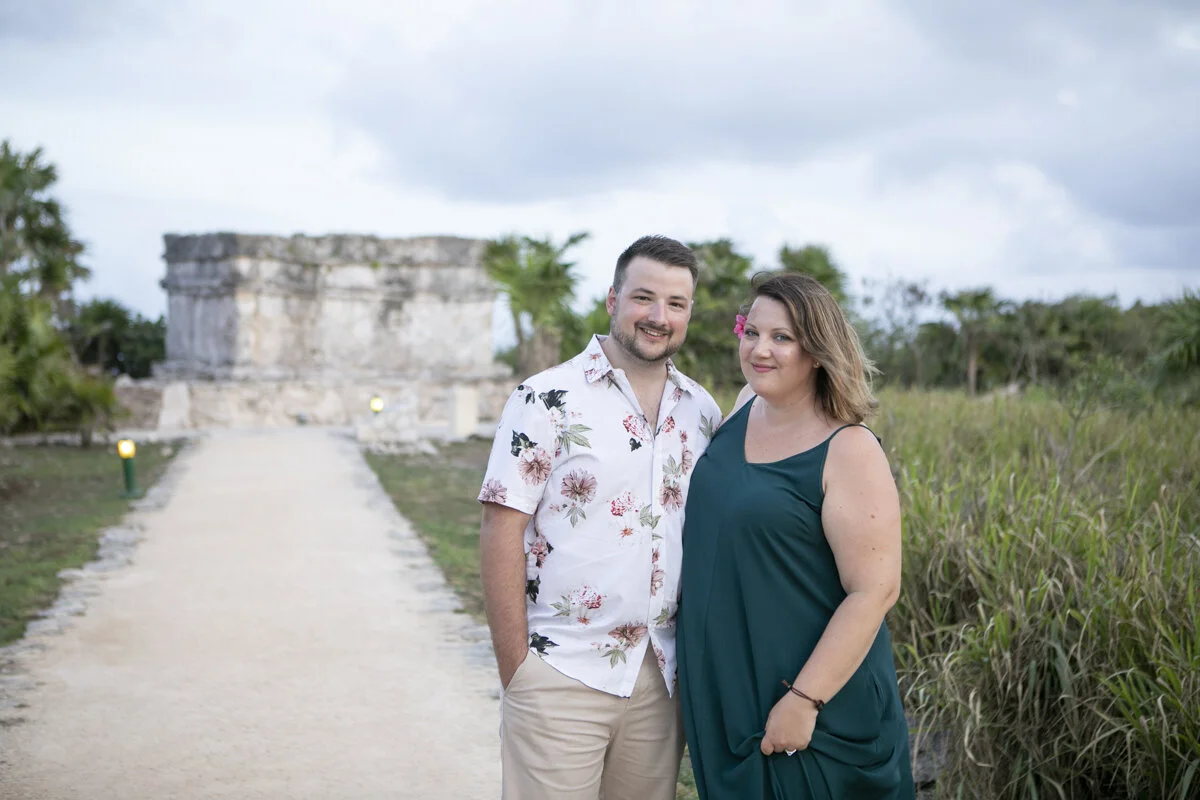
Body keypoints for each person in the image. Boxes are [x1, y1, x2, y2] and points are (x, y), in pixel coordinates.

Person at [478, 235, 722, 800]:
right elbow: (500, 528)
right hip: (559, 669)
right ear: (612, 299)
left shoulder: (702, 412)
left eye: (676, 304)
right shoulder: (544, 399)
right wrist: (518, 670)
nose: (659, 317)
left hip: (661, 676)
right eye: (644, 298)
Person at [677, 272, 914, 799]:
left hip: (811, 699)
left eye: (782, 338)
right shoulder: (742, 405)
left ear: (817, 350)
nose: (760, 350)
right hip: (729, 681)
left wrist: (804, 700)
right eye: (752, 332)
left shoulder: (848, 448)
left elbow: (875, 590)